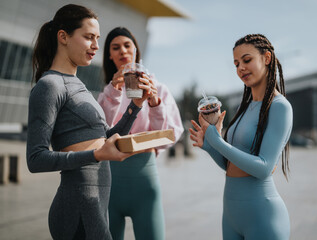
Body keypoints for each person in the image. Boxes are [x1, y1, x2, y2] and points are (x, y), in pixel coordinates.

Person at [27, 5, 153, 239]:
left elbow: (106, 138)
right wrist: (95, 155)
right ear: (63, 37)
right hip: (77, 207)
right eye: (88, 37)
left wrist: (135, 106)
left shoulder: (79, 85)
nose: (96, 46)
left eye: (97, 38)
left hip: (96, 203)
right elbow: (35, 159)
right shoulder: (49, 86)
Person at [189, 34, 293, 240]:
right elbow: (232, 166)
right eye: (236, 64)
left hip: (262, 217)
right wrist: (210, 146)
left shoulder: (280, 107)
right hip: (231, 215)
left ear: (267, 58)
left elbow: (263, 168)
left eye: (247, 60)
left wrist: (217, 141)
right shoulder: (244, 108)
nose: (240, 68)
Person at [97, 27, 184, 240]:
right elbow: (101, 134)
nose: (122, 51)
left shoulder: (159, 89)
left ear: (136, 50)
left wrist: (155, 103)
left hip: (144, 179)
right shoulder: (106, 93)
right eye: (115, 48)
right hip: (110, 181)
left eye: (127, 45)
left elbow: (168, 136)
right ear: (110, 55)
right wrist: (113, 92)